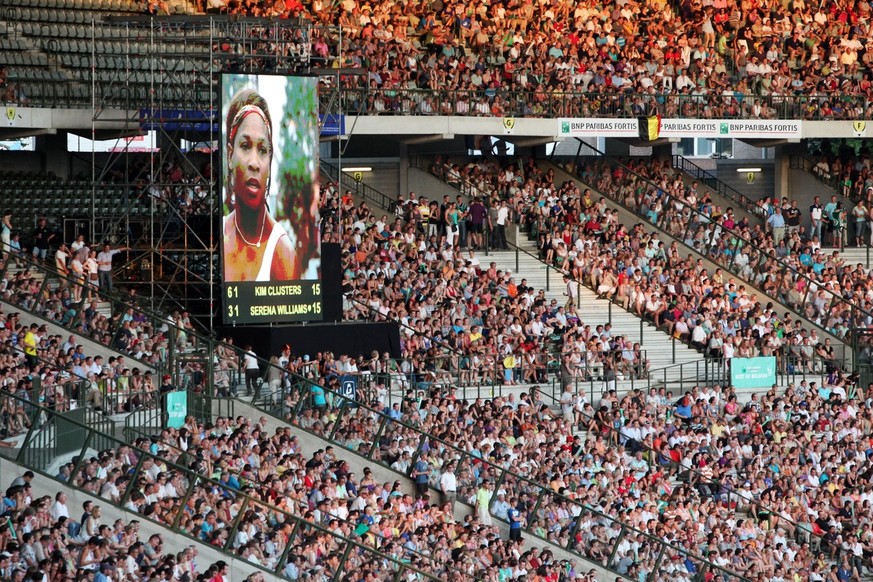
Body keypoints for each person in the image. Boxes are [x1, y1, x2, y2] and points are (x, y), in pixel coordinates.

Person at [222, 87, 298, 282]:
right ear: (230, 155)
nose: (254, 163)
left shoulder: (282, 251)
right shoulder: (219, 233)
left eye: (262, 150)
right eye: (245, 146)